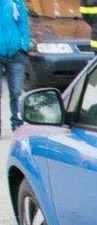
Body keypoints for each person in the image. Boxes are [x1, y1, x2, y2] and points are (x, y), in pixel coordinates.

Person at [0, 0, 29, 134]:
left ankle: (17, 124)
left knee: (16, 92)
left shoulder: (16, 2)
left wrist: (23, 47)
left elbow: (23, 24)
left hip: (16, 54)